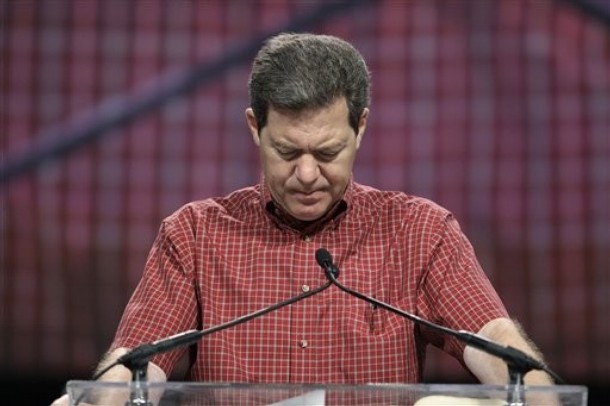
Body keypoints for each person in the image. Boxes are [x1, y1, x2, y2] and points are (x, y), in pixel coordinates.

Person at [52, 32, 554, 405]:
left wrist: (532, 391)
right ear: (255, 128)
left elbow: (496, 342)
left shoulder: (419, 231)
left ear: (361, 127)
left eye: (329, 151)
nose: (308, 174)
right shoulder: (194, 234)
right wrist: (99, 399)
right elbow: (137, 366)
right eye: (287, 151)